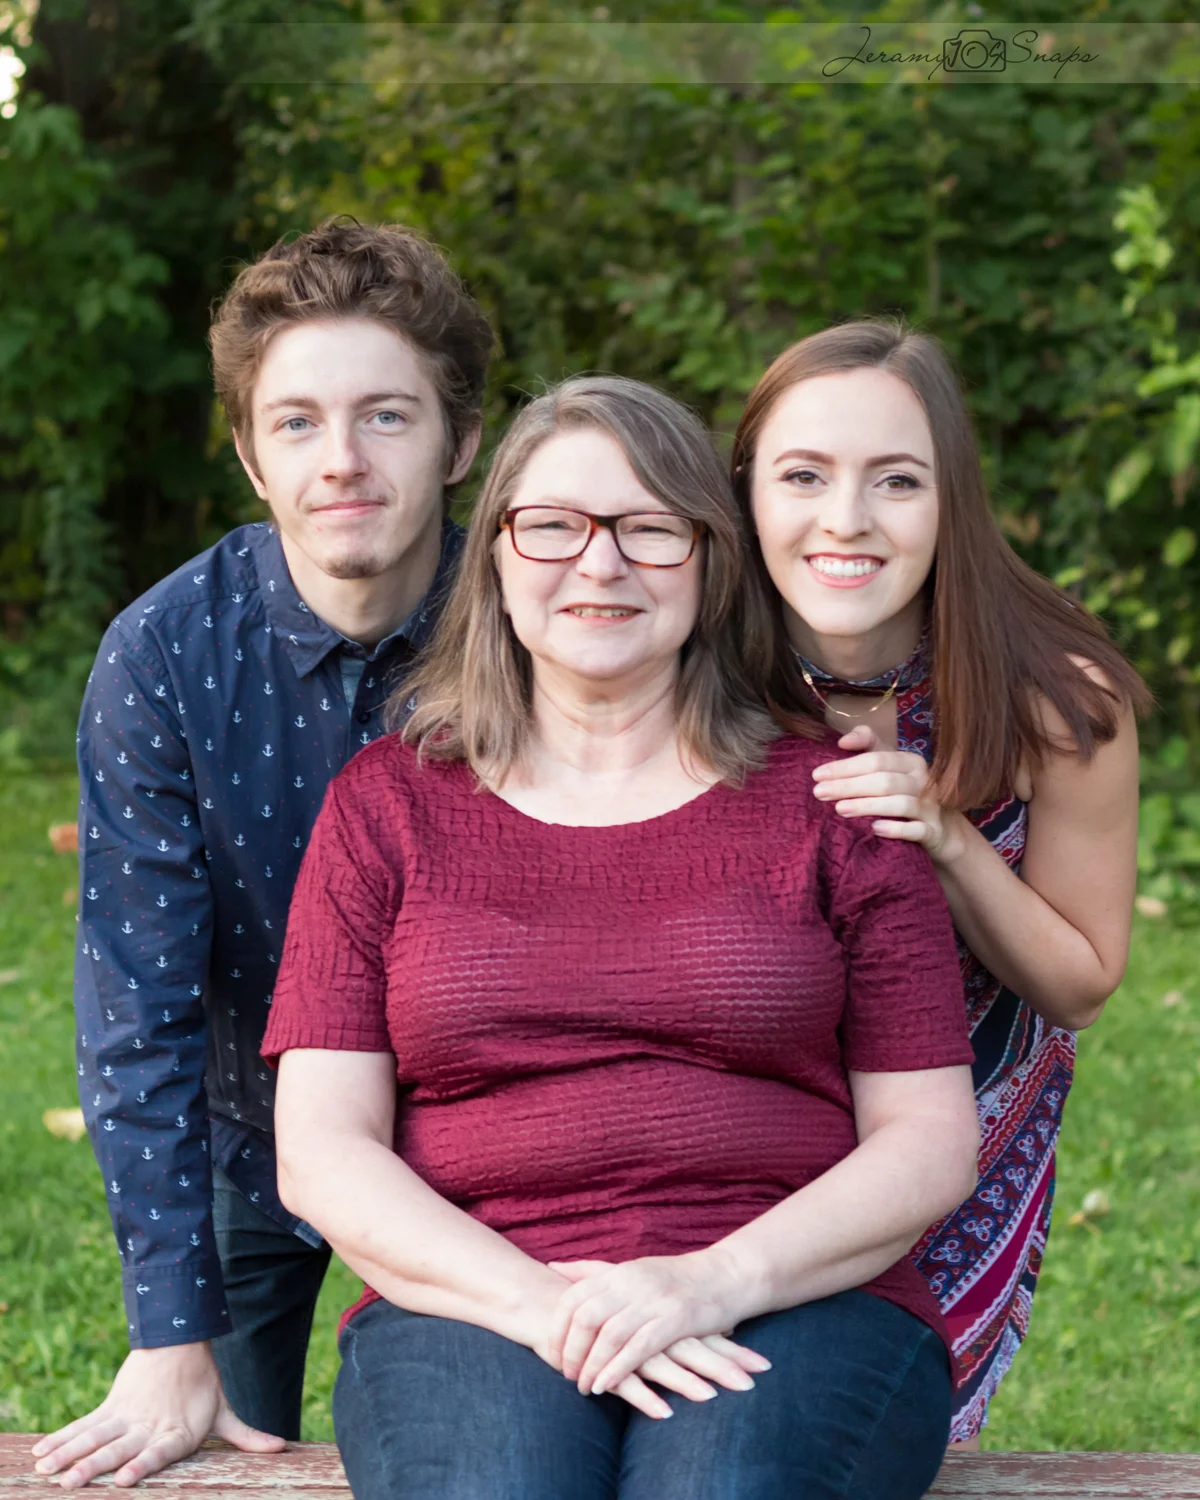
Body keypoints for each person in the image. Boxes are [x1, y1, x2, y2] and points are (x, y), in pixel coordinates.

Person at [262, 374, 980, 1500]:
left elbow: (930, 1140)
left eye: (649, 528)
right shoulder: (385, 808)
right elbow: (321, 1149)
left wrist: (708, 1284)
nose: (600, 565)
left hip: (794, 1295)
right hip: (474, 1299)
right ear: (496, 557)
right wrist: (547, 1306)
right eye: (553, 526)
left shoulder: (834, 805)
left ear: (710, 562)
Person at [33, 220, 493, 1489]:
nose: (341, 459)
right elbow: (138, 1001)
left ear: (459, 441)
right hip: (254, 1127)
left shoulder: (535, 623)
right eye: (297, 422)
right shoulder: (164, 656)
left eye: (386, 416)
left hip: (491, 1137)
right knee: (201, 1447)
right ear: (250, 455)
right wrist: (165, 1329)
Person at [730, 318, 1150, 1447]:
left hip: (962, 1130)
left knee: (855, 1438)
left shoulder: (1055, 698)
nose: (847, 519)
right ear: (745, 490)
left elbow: (1082, 981)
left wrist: (947, 836)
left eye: (897, 480)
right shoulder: (697, 671)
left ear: (951, 497)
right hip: (737, 1113)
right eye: (804, 475)